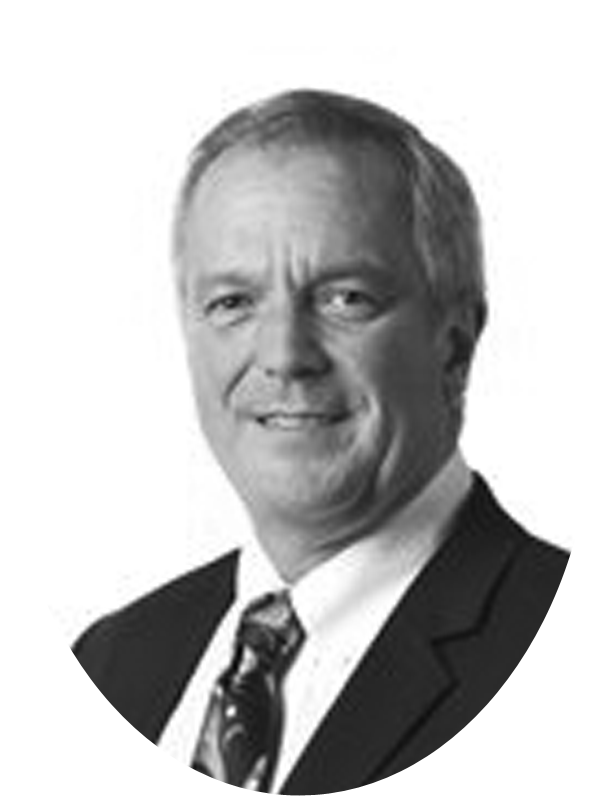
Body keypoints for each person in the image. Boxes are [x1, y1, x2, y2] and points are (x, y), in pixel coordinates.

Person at [37, 90, 594, 797]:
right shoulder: (112, 664)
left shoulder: (581, 664)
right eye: (233, 303)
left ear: (454, 345)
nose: (284, 356)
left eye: (345, 298)